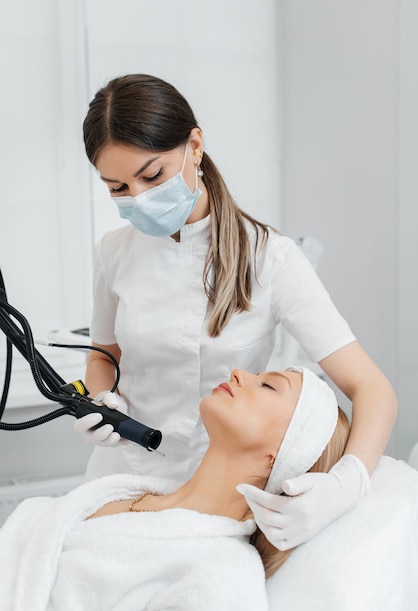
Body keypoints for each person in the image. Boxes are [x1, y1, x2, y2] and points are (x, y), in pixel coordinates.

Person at [75, 73, 397, 550]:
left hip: (219, 492)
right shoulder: (114, 251)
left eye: (152, 175)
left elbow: (371, 388)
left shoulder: (271, 258)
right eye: (118, 188)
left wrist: (346, 485)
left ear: (194, 146)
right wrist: (99, 401)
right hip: (124, 472)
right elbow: (104, 353)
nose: (139, 199)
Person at [0, 367, 350, 611]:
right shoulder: (130, 490)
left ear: (284, 453)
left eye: (269, 385)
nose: (240, 373)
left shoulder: (224, 575)